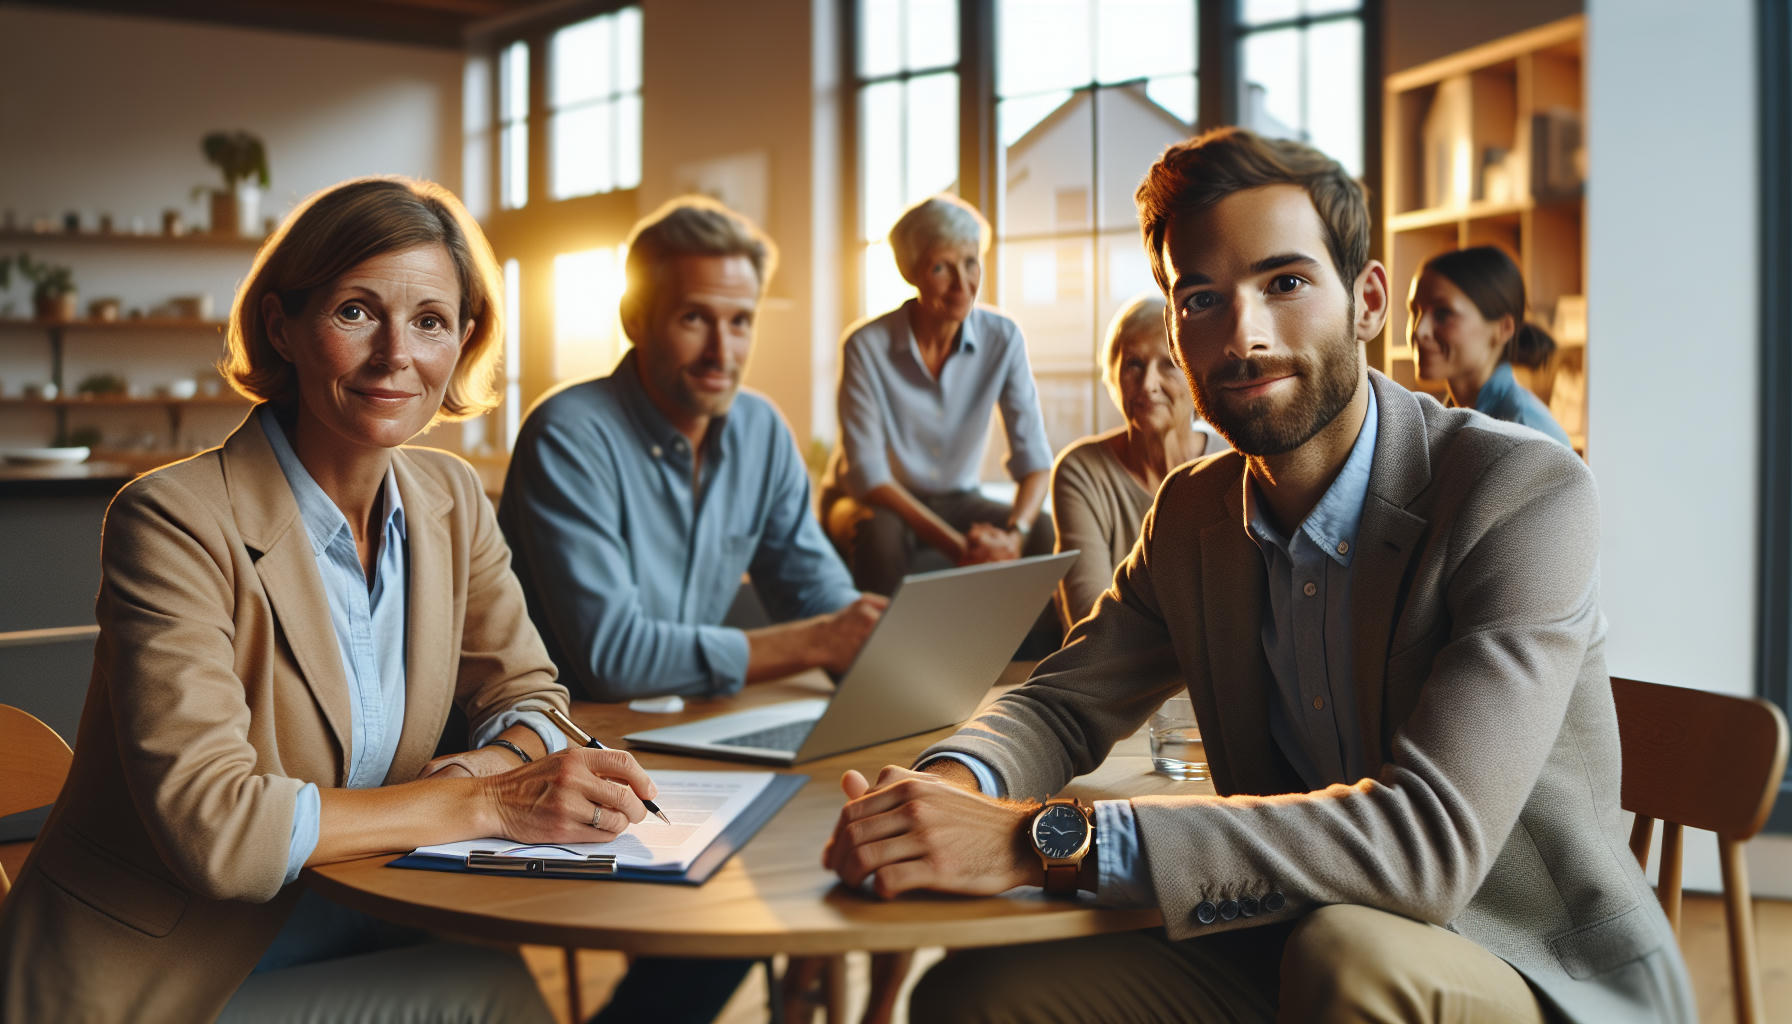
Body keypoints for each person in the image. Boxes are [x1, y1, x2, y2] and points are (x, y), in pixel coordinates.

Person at [823, 128, 1694, 1024]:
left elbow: (1430, 845)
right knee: (978, 999)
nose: (1243, 335)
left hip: (1525, 963)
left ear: (1368, 302)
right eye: (1201, 298)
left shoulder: (1521, 491)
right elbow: (1061, 703)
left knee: (1349, 958)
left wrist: (1043, 840)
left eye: (1285, 283)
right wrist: (951, 790)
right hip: (1277, 933)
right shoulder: (1193, 511)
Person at [0, 178, 663, 1022]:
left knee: (499, 964)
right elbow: (220, 832)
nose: (397, 355)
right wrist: (491, 798)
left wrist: (481, 763)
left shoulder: (453, 500)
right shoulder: (172, 519)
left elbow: (532, 698)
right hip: (157, 978)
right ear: (283, 326)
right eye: (356, 311)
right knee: (494, 995)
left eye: (429, 321)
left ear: (462, 342)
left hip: (359, 912)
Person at [499, 197, 886, 703]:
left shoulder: (761, 429)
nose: (721, 354)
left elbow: (814, 592)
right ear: (635, 319)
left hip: (689, 724)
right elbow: (612, 659)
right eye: (694, 318)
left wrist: (877, 648)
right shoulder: (568, 435)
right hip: (570, 741)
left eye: (740, 322)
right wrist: (818, 643)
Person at [819, 194, 1056, 597]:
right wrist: (961, 547)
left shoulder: (1003, 338)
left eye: (970, 262)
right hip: (869, 500)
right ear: (912, 272)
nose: (963, 285)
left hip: (957, 498)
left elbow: (1035, 461)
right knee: (880, 534)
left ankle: (1020, 658)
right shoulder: (865, 345)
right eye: (941, 268)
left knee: (1043, 529)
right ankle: (881, 658)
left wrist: (1014, 537)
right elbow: (869, 478)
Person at [1051, 293, 1227, 628]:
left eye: (1168, 364)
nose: (1148, 385)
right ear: (1112, 377)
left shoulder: (1238, 461)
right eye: (1134, 364)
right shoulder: (1081, 471)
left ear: (1198, 374)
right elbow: (1091, 626)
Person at [1408, 244, 1574, 447]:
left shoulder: (1525, 435)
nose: (1419, 330)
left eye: (1443, 313)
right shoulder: (1448, 420)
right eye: (1415, 312)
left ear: (1503, 329)